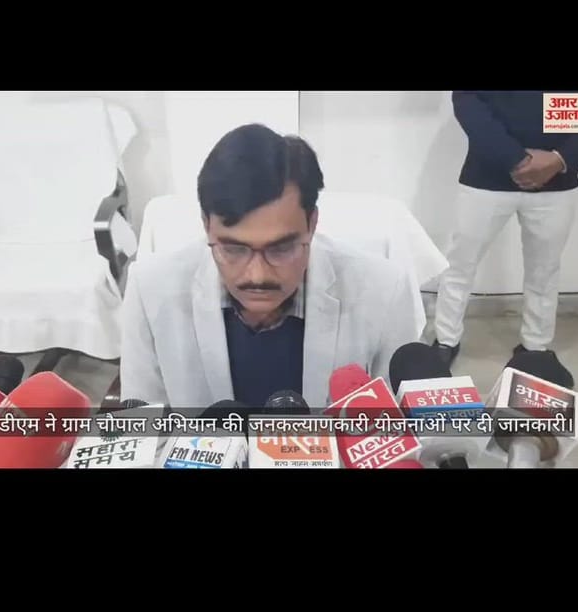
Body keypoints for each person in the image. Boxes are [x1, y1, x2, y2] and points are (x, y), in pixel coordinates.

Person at [121, 124, 422, 409]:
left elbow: (405, 430)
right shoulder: (150, 291)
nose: (257, 275)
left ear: (312, 224)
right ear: (206, 225)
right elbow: (141, 431)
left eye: (281, 249)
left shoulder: (384, 293)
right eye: (233, 249)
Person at [434, 90, 578, 370]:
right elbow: (467, 101)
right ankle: (446, 340)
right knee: (459, 264)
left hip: (557, 182)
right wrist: (516, 159)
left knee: (544, 271)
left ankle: (535, 345)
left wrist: (560, 159)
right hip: (485, 179)